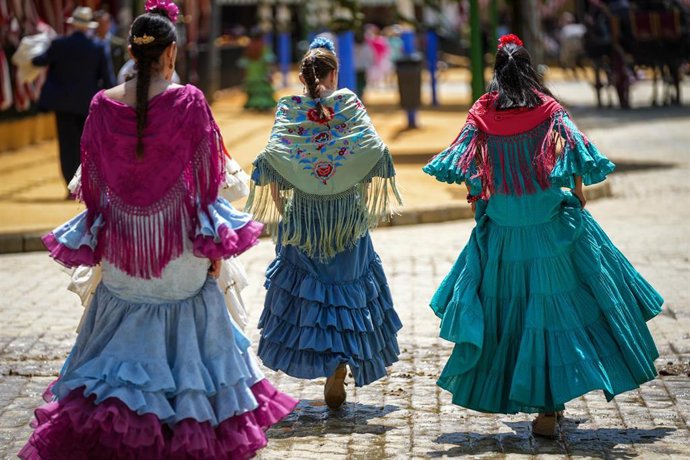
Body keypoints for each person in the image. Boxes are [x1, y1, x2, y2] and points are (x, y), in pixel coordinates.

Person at [19, 2, 297, 458]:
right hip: (180, 252)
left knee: (116, 349)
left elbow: (92, 185)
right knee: (195, 345)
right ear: (171, 53)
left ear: (132, 51)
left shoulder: (101, 104)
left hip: (125, 253)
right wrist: (215, 252)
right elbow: (208, 184)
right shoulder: (189, 101)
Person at [423, 34, 662, 438]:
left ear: (496, 73)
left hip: (503, 224)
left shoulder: (482, 112)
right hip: (549, 221)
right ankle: (550, 407)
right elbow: (577, 150)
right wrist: (579, 192)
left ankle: (533, 400)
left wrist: (479, 192)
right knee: (556, 311)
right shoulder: (548, 109)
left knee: (510, 315)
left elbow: (461, 159)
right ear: (529, 69)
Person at [246, 37, 403, 410]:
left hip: (304, 217)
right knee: (348, 289)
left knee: (312, 291)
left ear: (303, 77)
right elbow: (375, 150)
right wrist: (352, 181)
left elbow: (272, 156)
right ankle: (340, 365)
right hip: (346, 215)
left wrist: (284, 200)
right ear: (334, 73)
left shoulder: (289, 107)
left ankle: (328, 362)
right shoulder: (348, 103)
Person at [32, 6, 116, 194]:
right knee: (87, 145)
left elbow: (38, 61)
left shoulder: (59, 44)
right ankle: (85, 184)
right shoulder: (98, 46)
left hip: (63, 104)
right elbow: (108, 79)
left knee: (66, 145)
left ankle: (70, 186)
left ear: (73, 24)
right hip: (87, 105)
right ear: (89, 26)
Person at [239, 28, 276, 111]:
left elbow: (243, 62)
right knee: (262, 89)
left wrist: (244, 74)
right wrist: (270, 72)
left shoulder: (248, 46)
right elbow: (268, 60)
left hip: (251, 72)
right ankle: (262, 105)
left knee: (253, 90)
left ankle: (254, 105)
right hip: (262, 71)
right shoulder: (264, 46)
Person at [94, 9, 128, 76]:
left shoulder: (118, 44)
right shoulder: (91, 43)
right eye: (100, 23)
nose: (103, 26)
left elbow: (123, 64)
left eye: (106, 22)